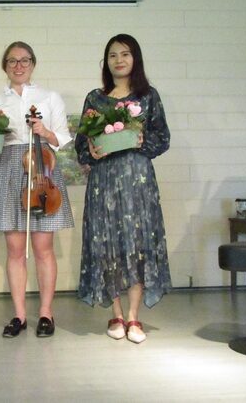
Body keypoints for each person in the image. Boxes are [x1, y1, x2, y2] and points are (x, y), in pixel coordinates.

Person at [75, 33, 171, 343]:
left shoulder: (148, 96)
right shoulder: (95, 98)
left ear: (135, 59)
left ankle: (134, 317)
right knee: (108, 245)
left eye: (125, 54)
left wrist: (144, 141)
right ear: (106, 62)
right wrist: (92, 151)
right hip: (103, 180)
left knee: (138, 244)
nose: (119, 60)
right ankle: (115, 313)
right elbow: (80, 145)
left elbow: (163, 138)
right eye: (113, 55)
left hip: (137, 181)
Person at [0, 41, 74, 338]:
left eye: (24, 60)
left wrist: (44, 131)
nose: (19, 66)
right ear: (4, 65)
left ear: (33, 63)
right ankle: (19, 315)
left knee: (43, 248)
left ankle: (46, 313)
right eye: (12, 61)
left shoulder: (49, 97)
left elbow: (62, 139)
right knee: (15, 249)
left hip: (41, 172)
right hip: (8, 169)